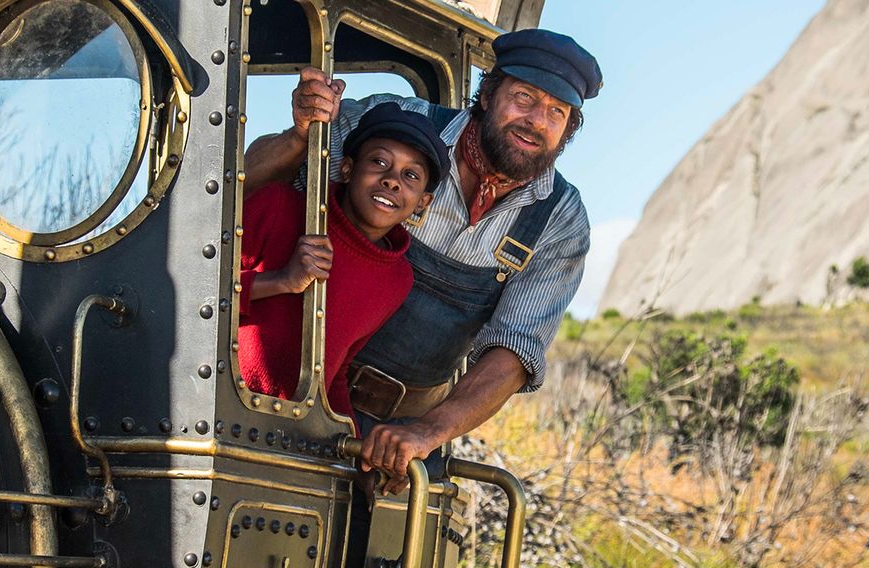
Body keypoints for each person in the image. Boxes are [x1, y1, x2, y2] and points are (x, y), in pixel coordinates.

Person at [244, 29, 601, 490]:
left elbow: (514, 353)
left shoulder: (561, 221)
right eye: (524, 98)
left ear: (568, 130)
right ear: (488, 94)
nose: (536, 121)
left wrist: (425, 434)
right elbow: (247, 187)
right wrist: (300, 134)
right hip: (286, 390)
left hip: (402, 435)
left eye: (556, 112)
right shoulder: (391, 122)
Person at [236, 103, 451, 424]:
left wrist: (350, 441)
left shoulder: (397, 278)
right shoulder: (277, 205)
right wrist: (282, 280)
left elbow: (335, 372)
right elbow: (200, 295)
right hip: (221, 408)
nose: (392, 181)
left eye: (410, 175)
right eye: (379, 162)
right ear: (348, 169)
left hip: (290, 432)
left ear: (422, 202)